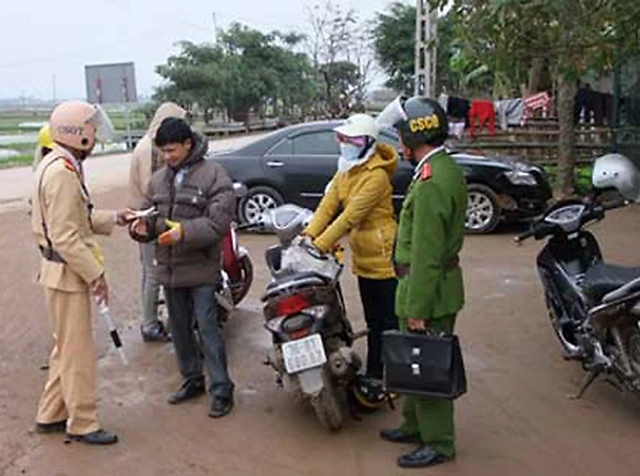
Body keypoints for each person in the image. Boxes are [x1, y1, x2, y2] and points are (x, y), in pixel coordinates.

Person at [31, 100, 133, 445]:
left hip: (59, 272)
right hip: (67, 273)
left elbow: (80, 217)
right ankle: (83, 422)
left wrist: (117, 217)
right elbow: (65, 235)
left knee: (66, 348)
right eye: (91, 127)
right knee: (78, 352)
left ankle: (51, 413)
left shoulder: (59, 164)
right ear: (79, 133)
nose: (95, 133)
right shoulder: (62, 172)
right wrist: (95, 274)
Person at [377, 97, 467, 469]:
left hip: (426, 292)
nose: (399, 142)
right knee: (411, 364)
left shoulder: (432, 182)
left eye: (401, 135)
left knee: (427, 368)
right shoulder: (437, 168)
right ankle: (414, 425)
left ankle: (439, 443)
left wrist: (417, 310)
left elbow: (428, 254)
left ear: (418, 133)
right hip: (420, 287)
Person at [130, 117, 236, 418]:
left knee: (207, 328)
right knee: (179, 330)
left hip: (201, 270)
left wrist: (183, 233)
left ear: (188, 144)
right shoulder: (159, 179)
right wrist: (140, 226)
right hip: (170, 270)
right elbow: (149, 215)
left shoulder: (214, 175)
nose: (167, 157)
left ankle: (222, 390)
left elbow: (218, 223)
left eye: (172, 150)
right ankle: (192, 380)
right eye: (163, 151)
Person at [302, 113, 399, 407]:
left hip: (384, 256)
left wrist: (320, 244)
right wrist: (307, 236)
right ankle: (375, 372)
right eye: (343, 139)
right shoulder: (345, 170)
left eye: (353, 139)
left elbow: (350, 216)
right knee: (372, 320)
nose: (346, 144)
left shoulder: (377, 176)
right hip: (364, 258)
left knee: (388, 322)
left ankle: (390, 378)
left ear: (368, 143)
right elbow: (326, 206)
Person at [129, 102, 187, 343]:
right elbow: (150, 187)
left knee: (149, 272)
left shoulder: (148, 145)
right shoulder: (149, 150)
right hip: (149, 219)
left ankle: (150, 320)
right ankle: (150, 325)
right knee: (154, 273)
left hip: (146, 217)